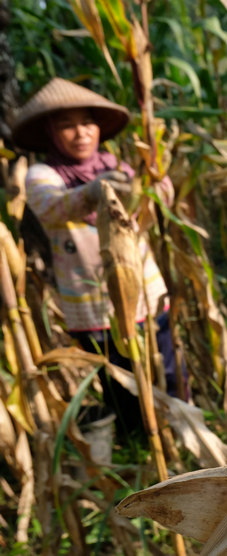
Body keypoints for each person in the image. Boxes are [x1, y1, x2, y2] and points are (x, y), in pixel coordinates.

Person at [11, 77, 186, 437]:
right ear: (50, 133)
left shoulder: (117, 166)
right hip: (92, 303)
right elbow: (52, 208)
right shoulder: (43, 175)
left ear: (98, 127)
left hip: (144, 293)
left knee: (165, 368)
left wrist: (157, 181)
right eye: (66, 125)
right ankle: (137, 441)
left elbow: (151, 209)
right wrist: (91, 192)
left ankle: (180, 431)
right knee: (118, 380)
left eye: (86, 123)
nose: (80, 133)